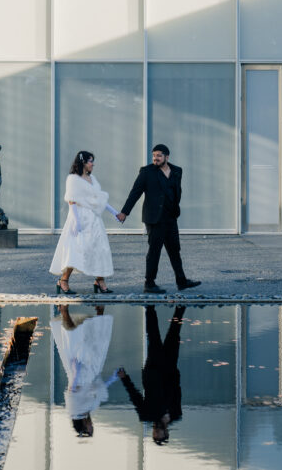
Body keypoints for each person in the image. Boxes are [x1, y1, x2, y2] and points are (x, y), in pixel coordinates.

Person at [117, 144, 200, 293]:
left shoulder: (176, 171)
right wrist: (125, 212)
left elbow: (176, 192)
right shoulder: (146, 172)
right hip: (154, 219)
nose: (155, 158)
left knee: (175, 250)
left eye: (159, 156)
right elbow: (135, 192)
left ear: (167, 157)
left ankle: (181, 281)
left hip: (171, 217)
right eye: (154, 156)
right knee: (154, 251)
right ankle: (149, 283)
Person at [50, 151, 121, 294]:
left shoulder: (92, 179)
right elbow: (72, 200)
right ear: (83, 163)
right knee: (76, 249)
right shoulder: (73, 179)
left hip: (94, 219)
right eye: (90, 161)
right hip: (79, 218)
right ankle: (63, 281)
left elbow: (99, 199)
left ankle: (100, 281)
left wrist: (115, 212)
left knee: (99, 248)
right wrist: (76, 221)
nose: (93, 164)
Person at [117, 305, 186, 445]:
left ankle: (150, 307)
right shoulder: (175, 414)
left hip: (153, 371)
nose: (155, 432)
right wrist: (176, 377)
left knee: (154, 337)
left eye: (155, 435)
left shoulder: (147, 415)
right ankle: (180, 308)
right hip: (170, 371)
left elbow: (135, 396)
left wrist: (125, 379)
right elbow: (177, 393)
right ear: (166, 433)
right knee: (174, 336)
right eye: (159, 435)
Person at [51, 305, 120, 437]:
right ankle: (100, 310)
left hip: (79, 374)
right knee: (97, 342)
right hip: (90, 373)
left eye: (90, 427)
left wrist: (76, 371)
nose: (91, 424)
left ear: (84, 425)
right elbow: (99, 389)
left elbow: (73, 391)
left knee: (74, 339)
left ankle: (65, 311)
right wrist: (114, 377)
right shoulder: (89, 410)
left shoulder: (75, 410)